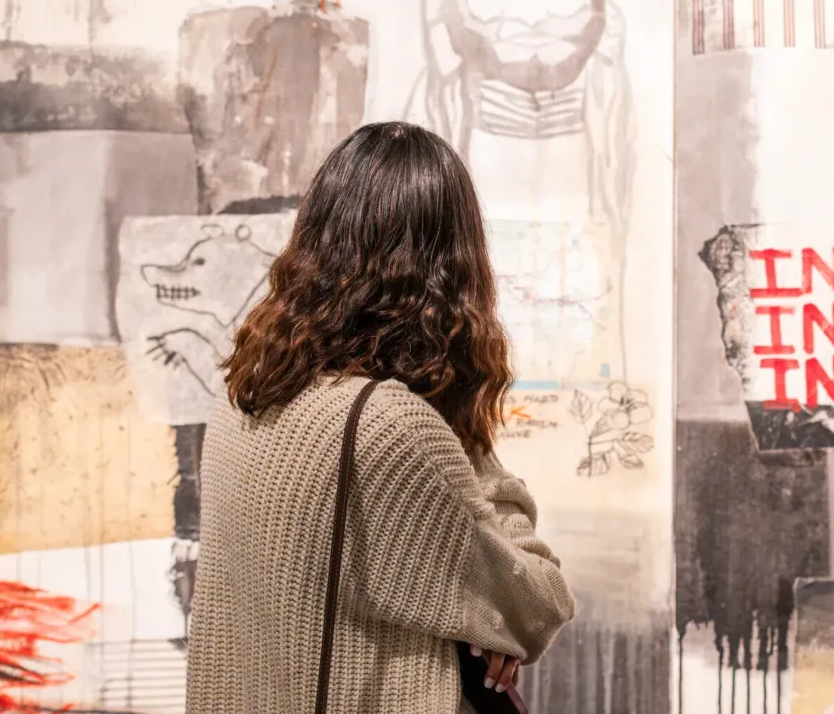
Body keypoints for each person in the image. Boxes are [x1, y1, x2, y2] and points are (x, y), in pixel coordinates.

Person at [186, 122, 577, 712]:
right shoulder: (393, 428)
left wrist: (483, 616)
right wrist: (464, 428)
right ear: (453, 268)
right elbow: (538, 603)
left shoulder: (243, 396)